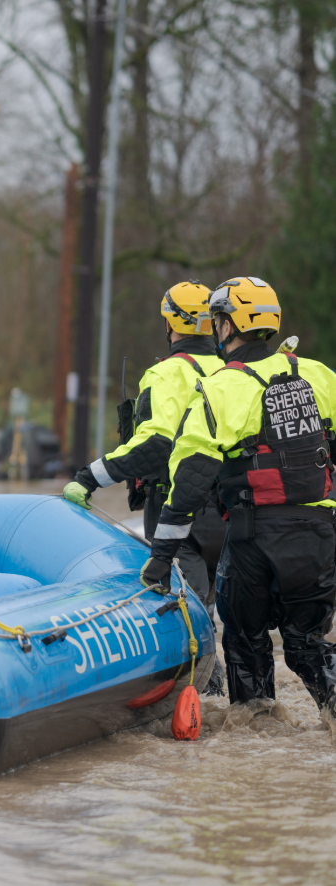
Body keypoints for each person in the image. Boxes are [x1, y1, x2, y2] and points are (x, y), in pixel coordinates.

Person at [141, 276, 336, 712]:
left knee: (246, 644)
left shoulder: (221, 387)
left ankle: (258, 730)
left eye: (217, 320)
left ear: (227, 327)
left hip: (255, 540)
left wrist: (160, 557)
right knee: (307, 646)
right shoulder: (318, 375)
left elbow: (190, 480)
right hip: (320, 540)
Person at [64, 281, 226, 624]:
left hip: (179, 517)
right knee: (224, 619)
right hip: (234, 514)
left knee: (187, 618)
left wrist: (89, 477)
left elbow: (154, 447)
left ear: (169, 324)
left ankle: (201, 677)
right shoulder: (235, 372)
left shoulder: (166, 374)